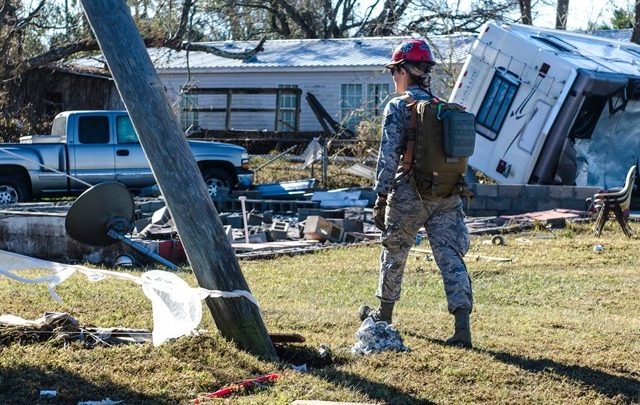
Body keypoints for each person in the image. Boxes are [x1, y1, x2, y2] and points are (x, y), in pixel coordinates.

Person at [359, 39, 474, 348]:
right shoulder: (440, 107)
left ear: (403, 71)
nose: (393, 78)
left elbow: (388, 157)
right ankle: (462, 328)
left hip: (409, 193)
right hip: (447, 193)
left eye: (393, 72)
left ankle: (384, 316)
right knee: (451, 259)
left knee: (394, 253)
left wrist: (381, 197)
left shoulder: (398, 107)